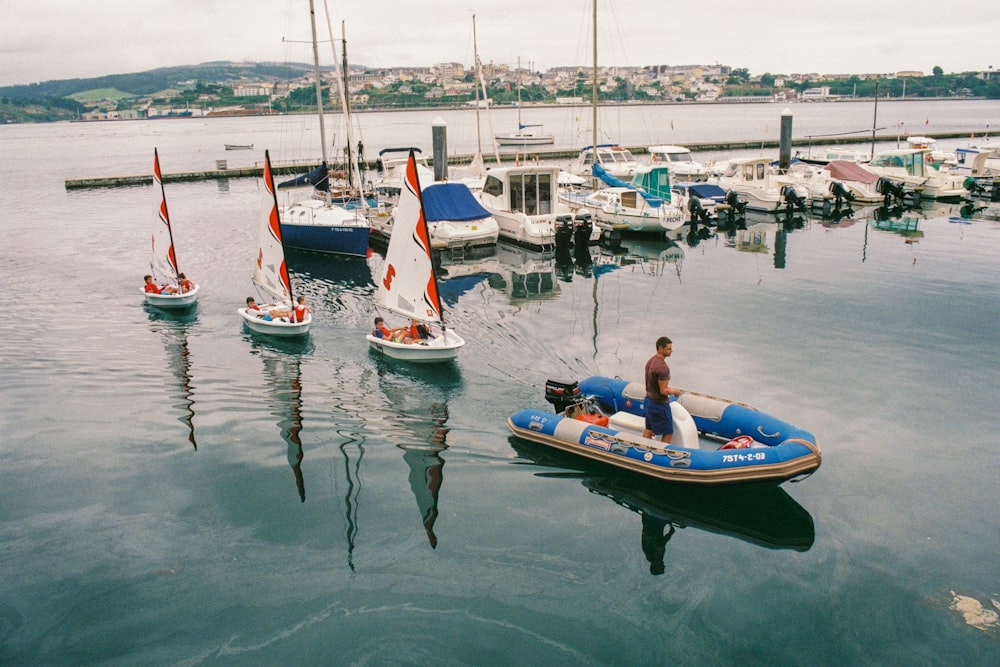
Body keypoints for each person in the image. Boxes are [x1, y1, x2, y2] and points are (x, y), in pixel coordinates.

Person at [643, 336, 680, 444]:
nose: (671, 351)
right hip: (658, 404)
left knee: (649, 429)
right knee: (668, 432)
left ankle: (643, 449)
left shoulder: (651, 361)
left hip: (648, 400)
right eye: (668, 349)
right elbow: (663, 391)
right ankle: (662, 454)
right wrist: (675, 391)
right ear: (660, 349)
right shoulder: (663, 368)